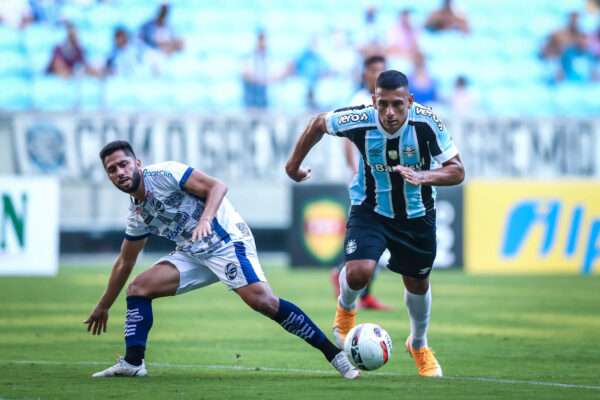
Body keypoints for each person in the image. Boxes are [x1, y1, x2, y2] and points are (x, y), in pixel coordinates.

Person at [84, 140, 360, 379]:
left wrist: (205, 220)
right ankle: (133, 363)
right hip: (193, 252)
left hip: (225, 238)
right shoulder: (137, 215)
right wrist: (103, 305)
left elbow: (217, 186)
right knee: (138, 288)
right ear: (108, 176)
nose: (120, 172)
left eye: (123, 164)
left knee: (263, 302)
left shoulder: (165, 173)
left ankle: (335, 355)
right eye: (112, 169)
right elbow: (125, 261)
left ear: (137, 163)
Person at [285, 70, 465, 377]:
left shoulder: (427, 122)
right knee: (359, 272)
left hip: (417, 215)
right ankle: (345, 310)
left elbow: (457, 170)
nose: (390, 113)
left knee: (417, 283)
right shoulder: (359, 120)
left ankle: (418, 344)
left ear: (410, 101)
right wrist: (293, 166)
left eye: (397, 104)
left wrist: (423, 176)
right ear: (374, 101)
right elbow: (318, 123)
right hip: (371, 209)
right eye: (383, 104)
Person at [333, 55, 393, 311]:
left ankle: (363, 291)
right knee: (368, 235)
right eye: (373, 71)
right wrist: (353, 169)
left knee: (380, 240)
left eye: (382, 70)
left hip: (385, 182)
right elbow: (348, 139)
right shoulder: (359, 101)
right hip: (366, 182)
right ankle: (344, 276)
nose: (378, 75)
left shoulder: (389, 103)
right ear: (365, 74)